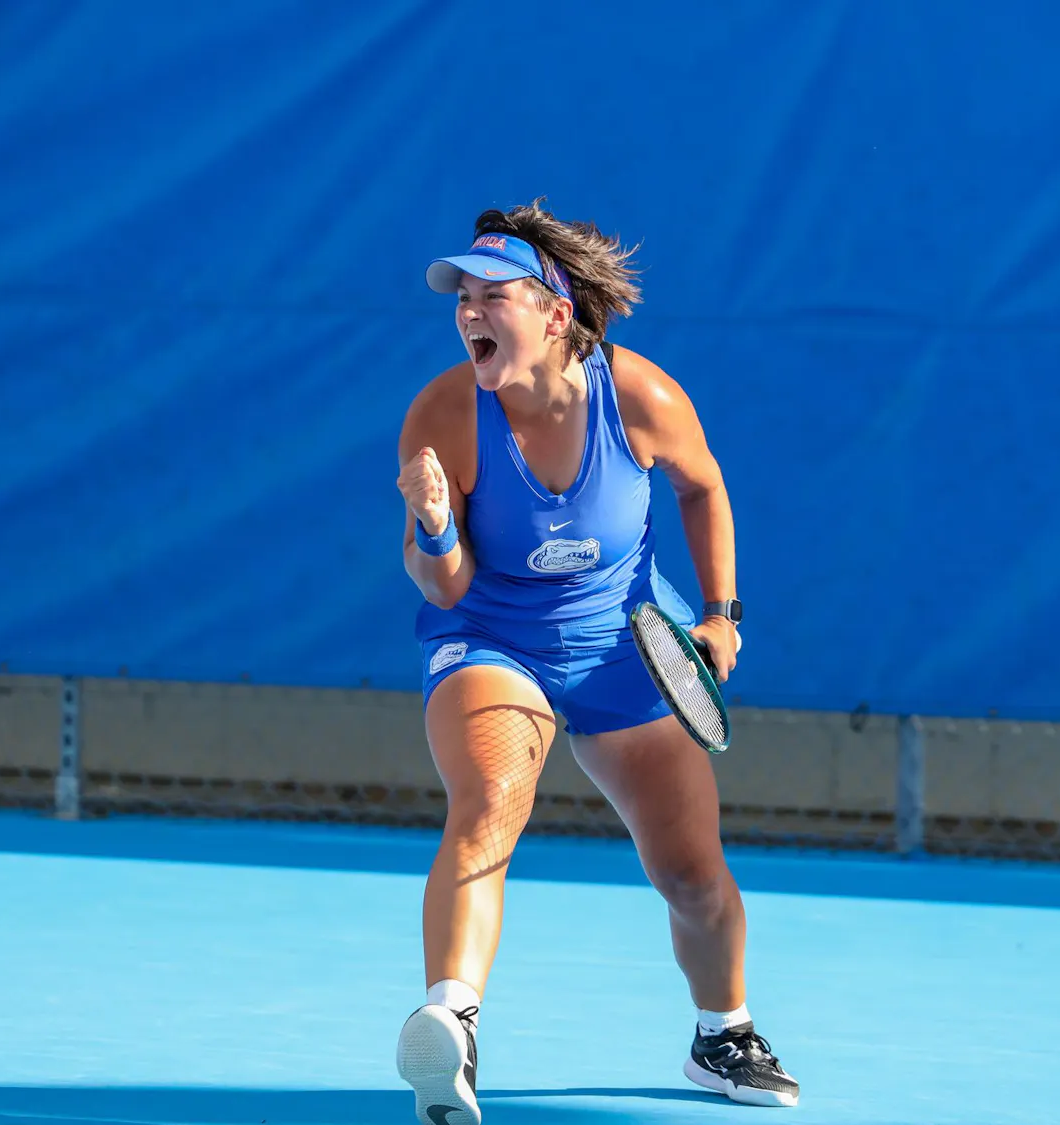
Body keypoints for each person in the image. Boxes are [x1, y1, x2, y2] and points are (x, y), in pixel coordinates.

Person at [392, 200, 799, 1124]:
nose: (469, 311)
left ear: (555, 313)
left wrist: (723, 615)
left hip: (625, 644)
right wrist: (434, 524)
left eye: (494, 295)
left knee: (692, 872)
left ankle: (723, 1033)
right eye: (462, 297)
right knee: (488, 805)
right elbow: (446, 584)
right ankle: (452, 1022)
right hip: (492, 638)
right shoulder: (445, 412)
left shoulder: (641, 396)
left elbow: (704, 486)